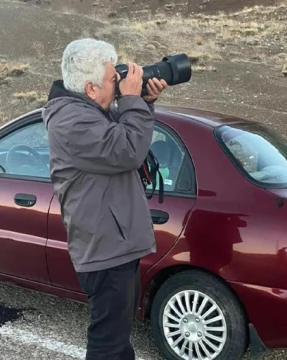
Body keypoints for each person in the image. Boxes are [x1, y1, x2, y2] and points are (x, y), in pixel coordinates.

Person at [42, 38, 168, 360]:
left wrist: (144, 101)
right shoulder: (73, 121)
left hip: (113, 244)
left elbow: (125, 138)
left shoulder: (88, 112)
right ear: (90, 88)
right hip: (104, 248)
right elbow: (127, 150)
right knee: (108, 343)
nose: (120, 84)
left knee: (118, 339)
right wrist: (131, 100)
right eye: (114, 79)